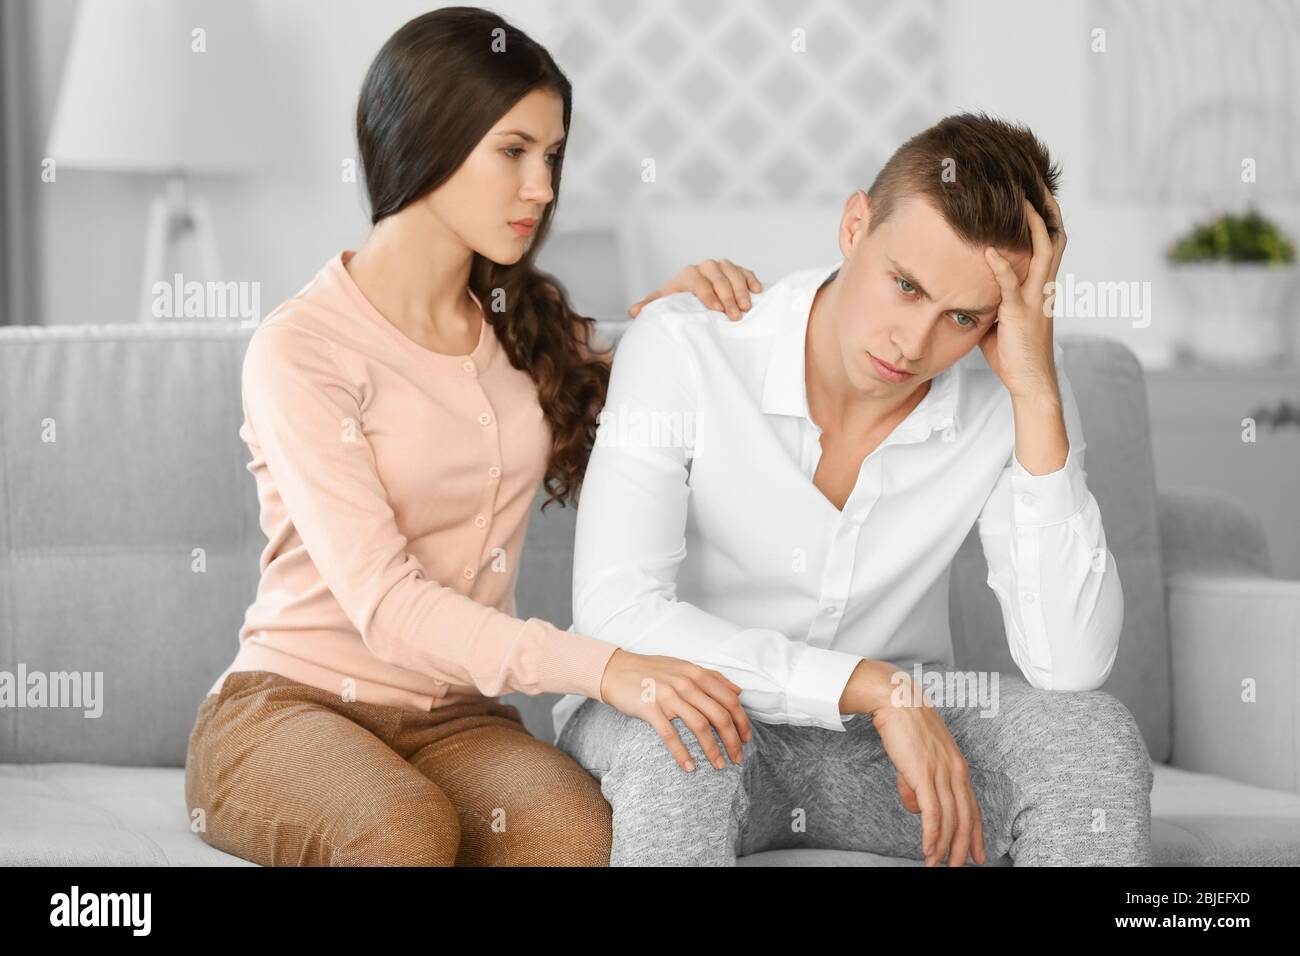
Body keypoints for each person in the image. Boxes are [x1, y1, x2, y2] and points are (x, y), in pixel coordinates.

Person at [184, 5, 764, 867]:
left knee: (579, 841)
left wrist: (676, 313)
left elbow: (642, 385)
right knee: (400, 830)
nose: (544, 187)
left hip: (459, 718)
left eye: (554, 156)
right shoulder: (300, 349)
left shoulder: (522, 322)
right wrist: (611, 668)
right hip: (290, 707)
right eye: (514, 151)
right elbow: (386, 605)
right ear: (428, 138)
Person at [555, 112, 1155, 866]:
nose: (914, 344)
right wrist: (866, 686)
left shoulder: (1011, 391)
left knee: (1091, 734)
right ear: (853, 225)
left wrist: (1035, 394)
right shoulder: (687, 345)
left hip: (892, 743)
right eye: (905, 286)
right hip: (689, 709)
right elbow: (617, 614)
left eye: (962, 317)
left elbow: (1070, 666)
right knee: (683, 733)